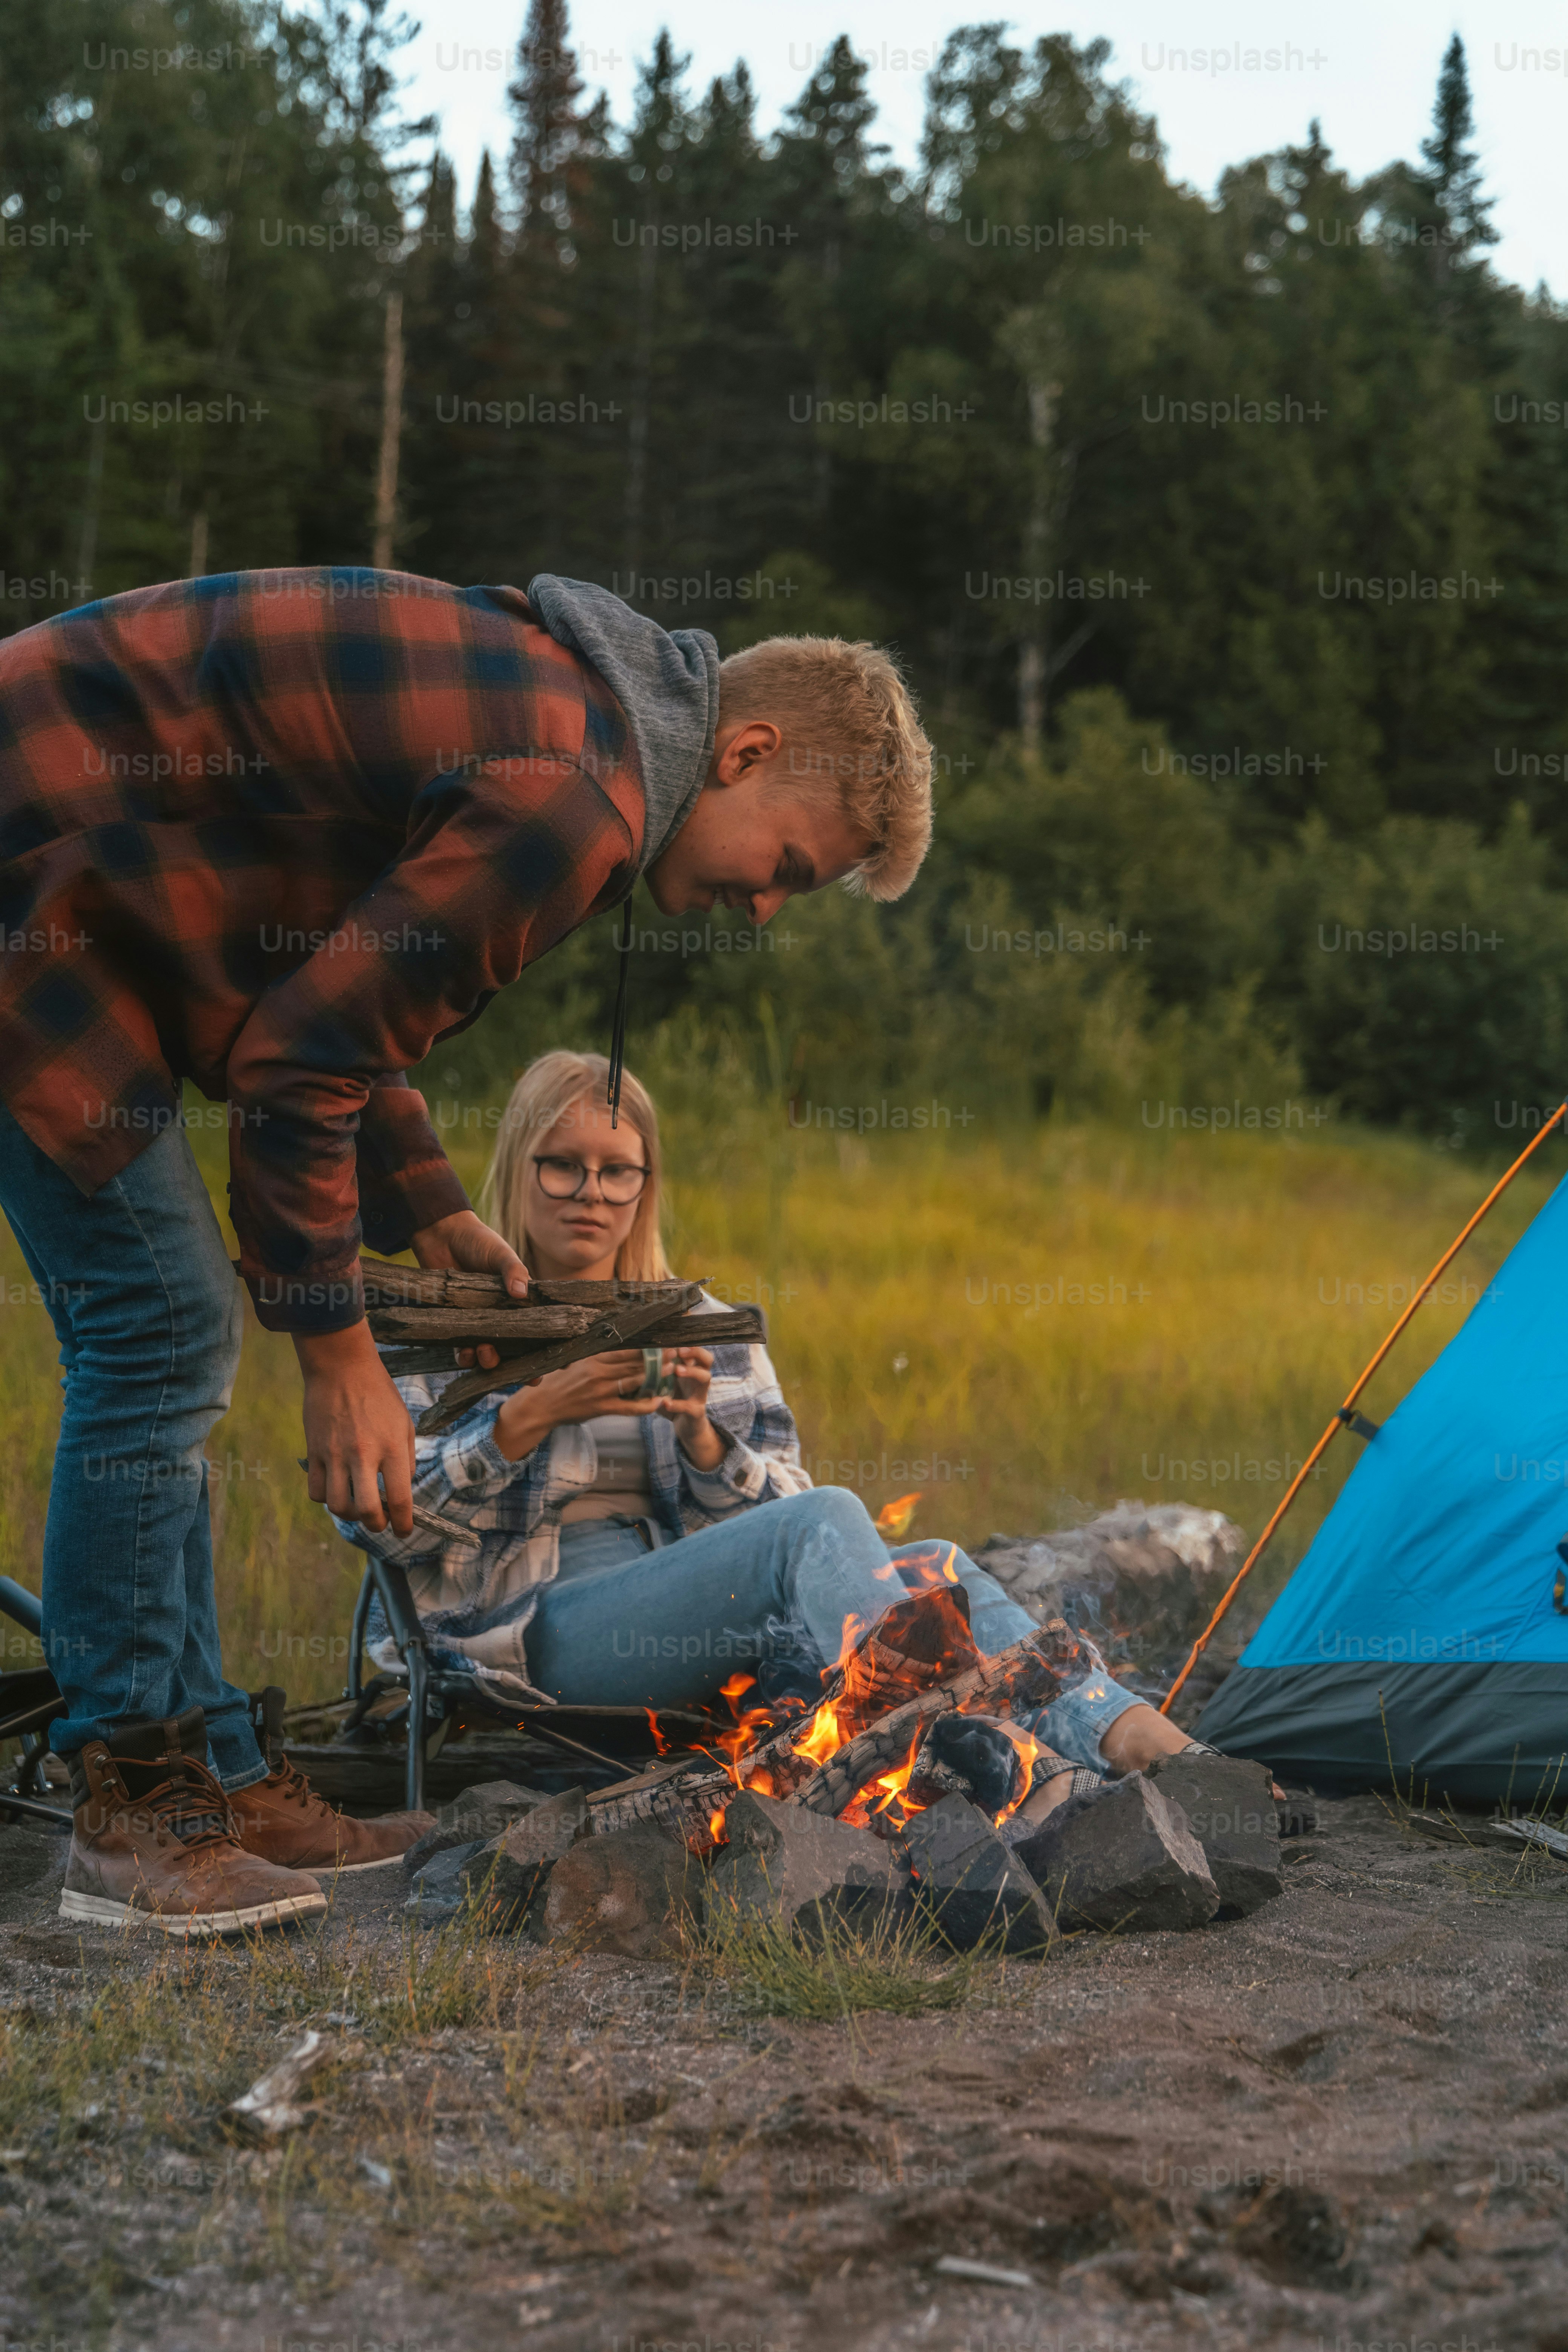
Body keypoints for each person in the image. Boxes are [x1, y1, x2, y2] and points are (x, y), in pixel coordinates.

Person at [0, 570, 934, 1933]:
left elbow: (326, 979)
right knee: (161, 1327)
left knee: (168, 1326)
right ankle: (139, 1808)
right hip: (36, 875)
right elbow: (299, 1063)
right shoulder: (572, 799)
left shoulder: (563, 722)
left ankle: (213, 1765)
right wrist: (338, 1359)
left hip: (77, 875)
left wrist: (429, 1203)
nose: (764, 912)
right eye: (790, 866)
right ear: (745, 755)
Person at [336, 1050, 1210, 1815]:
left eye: (617, 1171)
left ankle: (1135, 1738)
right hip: (530, 1640)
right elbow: (371, 1520)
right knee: (829, 1520)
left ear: (648, 1185)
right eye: (561, 1166)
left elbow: (798, 1527)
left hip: (707, 1626)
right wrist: (528, 1417)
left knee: (932, 1562)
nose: (590, 1194)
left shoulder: (700, 1325)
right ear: (514, 1168)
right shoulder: (439, 1332)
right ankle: (1006, 1766)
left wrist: (702, 1443)